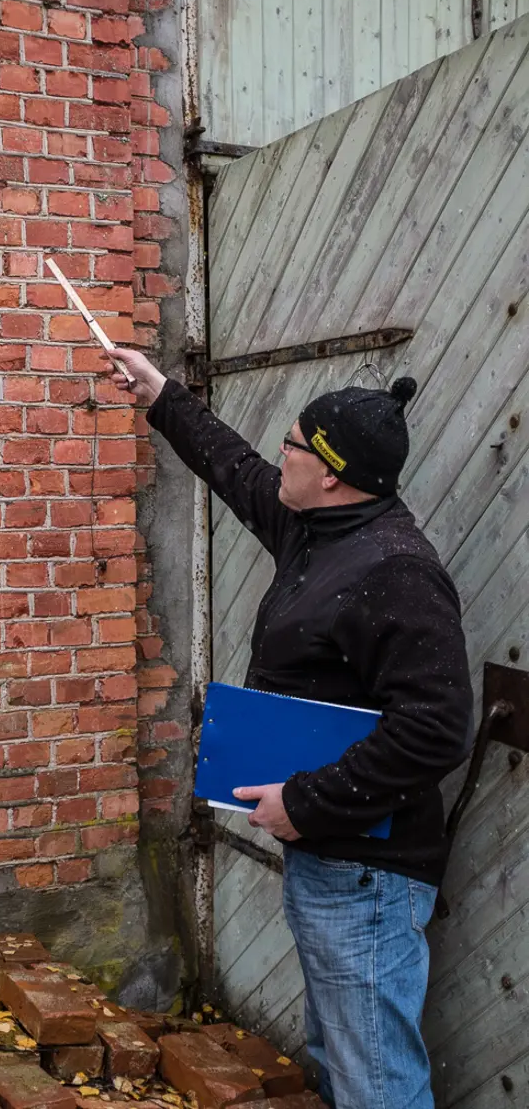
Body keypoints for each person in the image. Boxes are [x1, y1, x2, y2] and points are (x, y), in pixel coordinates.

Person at [104, 348, 473, 1109]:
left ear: (332, 472)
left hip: (369, 876)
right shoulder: (319, 529)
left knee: (376, 1084)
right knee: (337, 1061)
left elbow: (436, 730)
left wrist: (305, 803)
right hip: (332, 861)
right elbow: (236, 470)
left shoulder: (395, 569)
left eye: (295, 445)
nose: (280, 453)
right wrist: (161, 394)